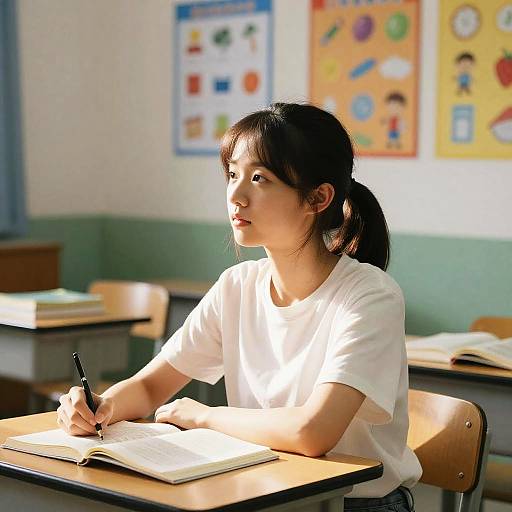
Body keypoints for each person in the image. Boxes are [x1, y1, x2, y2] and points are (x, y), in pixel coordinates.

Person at [57, 103, 421, 510]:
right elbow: (149, 387)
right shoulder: (238, 286)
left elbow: (312, 432)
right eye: (233, 174)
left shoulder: (370, 296)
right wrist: (101, 407)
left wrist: (203, 417)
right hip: (264, 488)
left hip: (354, 503)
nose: (236, 194)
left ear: (317, 198)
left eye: (259, 178)